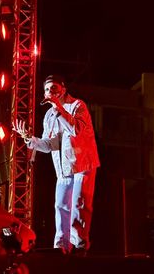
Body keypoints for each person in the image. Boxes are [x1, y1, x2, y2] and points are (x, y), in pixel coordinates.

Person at [12, 74, 100, 254]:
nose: (49, 92)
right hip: (63, 168)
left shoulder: (77, 106)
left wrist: (59, 109)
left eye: (53, 88)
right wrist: (29, 138)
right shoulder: (49, 115)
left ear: (63, 89)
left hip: (82, 164)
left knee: (79, 205)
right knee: (60, 206)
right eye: (46, 89)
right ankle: (61, 248)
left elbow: (76, 130)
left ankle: (79, 246)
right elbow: (49, 144)